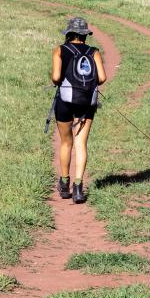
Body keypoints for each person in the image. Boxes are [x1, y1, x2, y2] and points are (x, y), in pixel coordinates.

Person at [51, 17, 107, 204]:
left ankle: (64, 183)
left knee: (66, 142)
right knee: (81, 143)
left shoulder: (60, 50)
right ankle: (78, 187)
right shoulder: (94, 52)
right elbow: (102, 78)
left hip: (65, 102)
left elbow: (56, 77)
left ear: (69, 34)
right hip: (86, 103)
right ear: (84, 35)